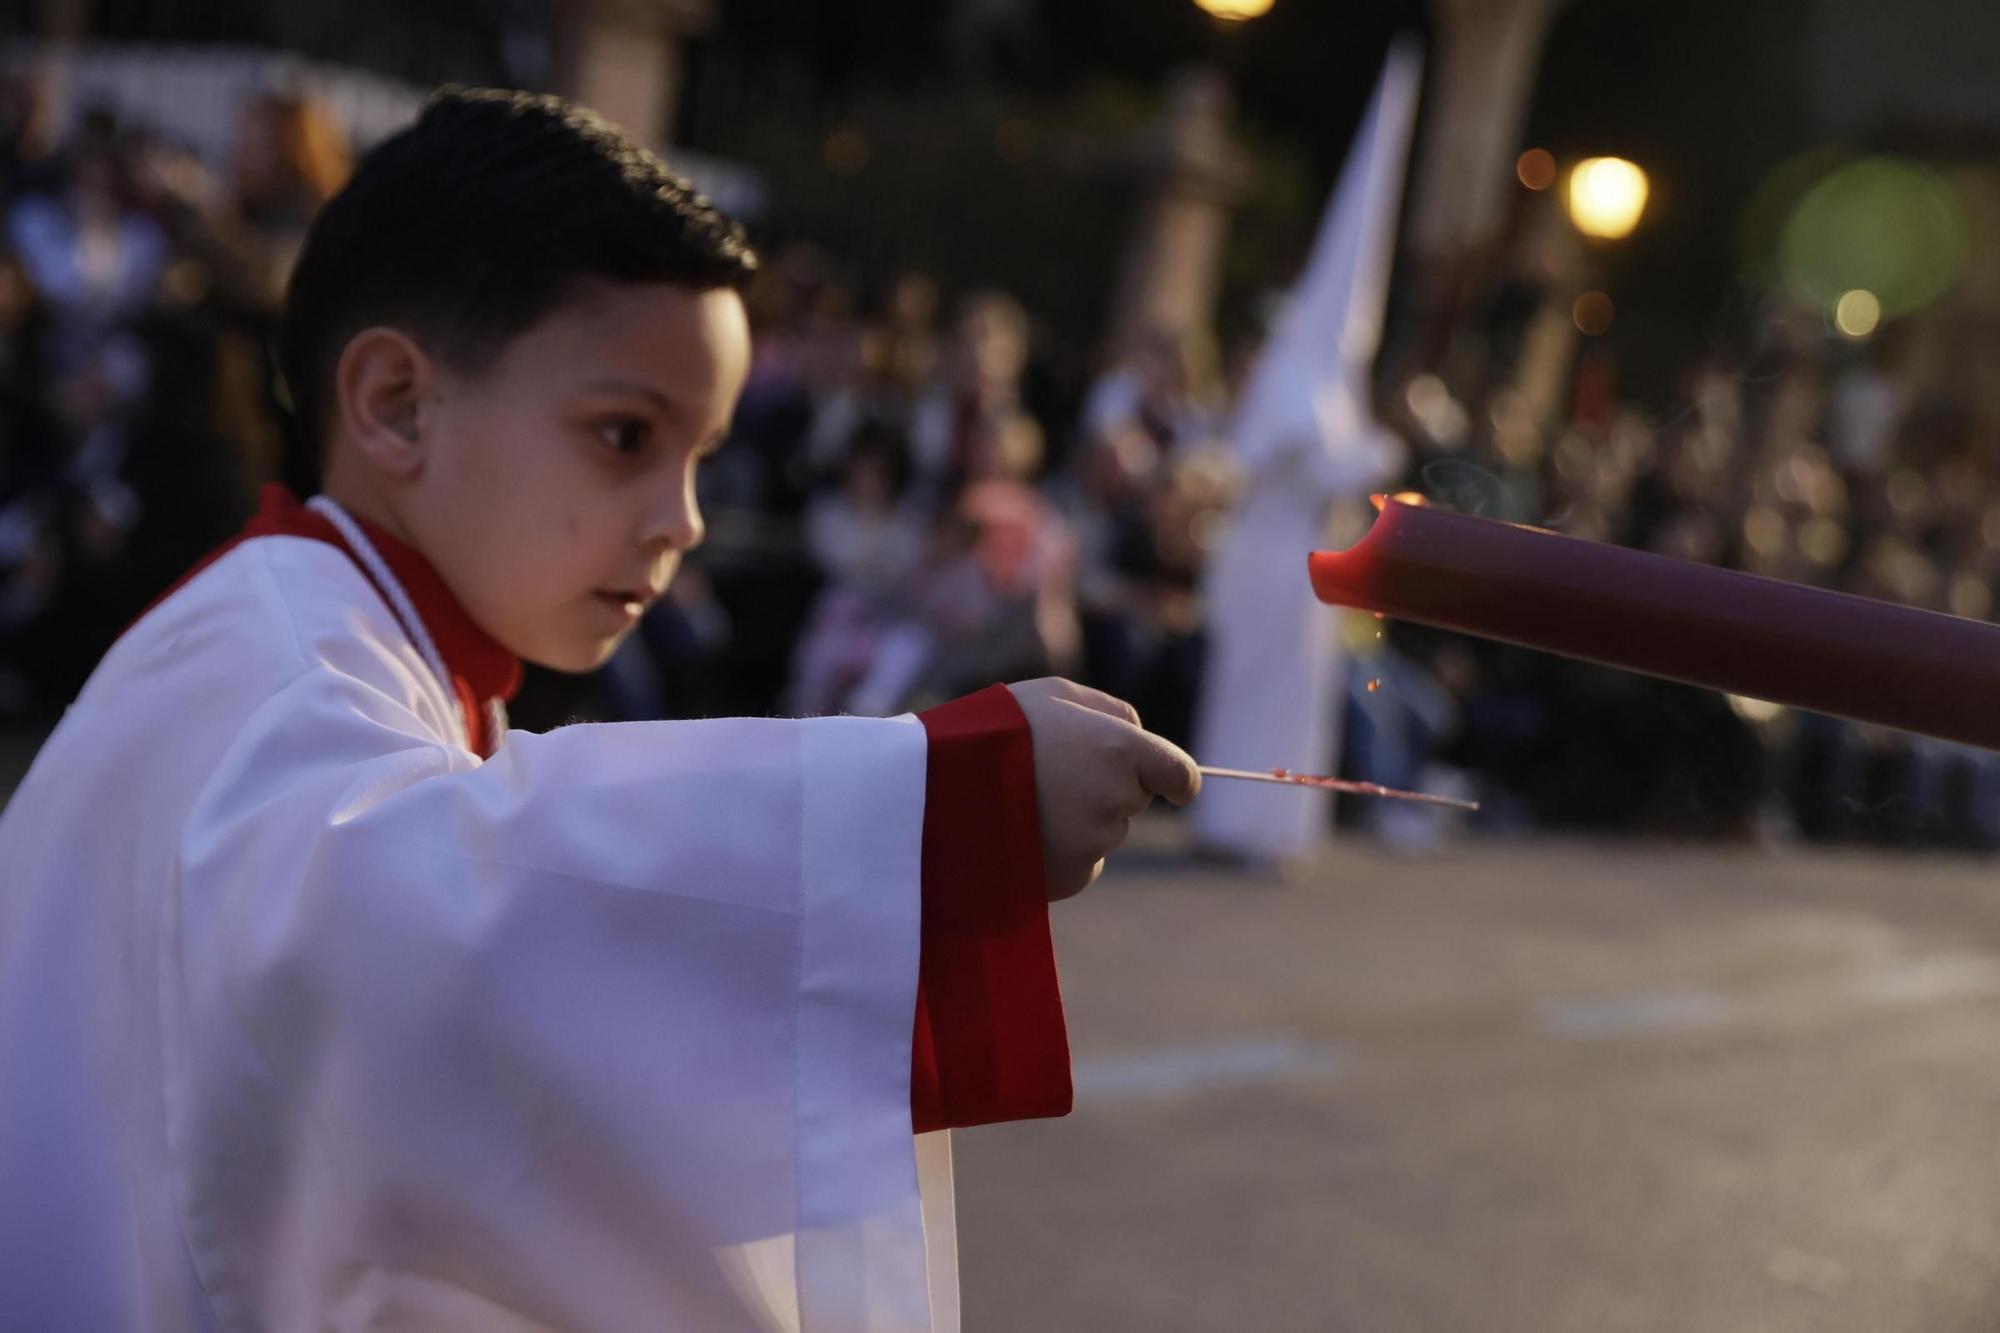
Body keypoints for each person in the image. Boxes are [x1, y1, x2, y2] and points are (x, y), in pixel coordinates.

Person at [0, 89, 1199, 1331]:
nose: (680, 518)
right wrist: (951, 802)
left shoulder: (316, 627)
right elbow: (402, 925)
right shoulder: (284, 669)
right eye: (623, 435)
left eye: (702, 457)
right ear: (398, 403)